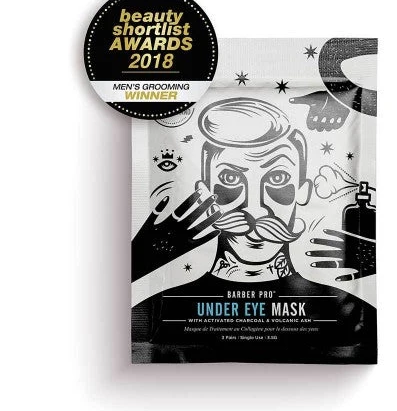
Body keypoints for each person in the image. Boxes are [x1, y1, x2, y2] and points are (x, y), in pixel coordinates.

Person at [132, 98, 376, 363]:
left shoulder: (340, 309)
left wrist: (375, 272)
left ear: (303, 190)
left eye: (278, 178)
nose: (255, 209)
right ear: (204, 190)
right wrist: (139, 261)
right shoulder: (167, 305)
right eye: (230, 178)